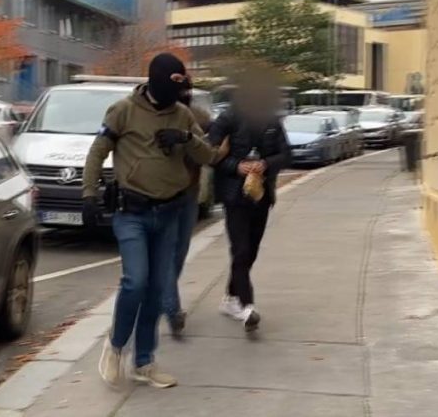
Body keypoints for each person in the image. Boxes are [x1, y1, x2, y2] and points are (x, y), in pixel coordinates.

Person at [82, 53, 218, 389]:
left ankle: (144, 362)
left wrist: (185, 138)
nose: (179, 91)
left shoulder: (183, 115)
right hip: (132, 213)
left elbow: (209, 156)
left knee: (156, 289)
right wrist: (89, 193)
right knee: (136, 281)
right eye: (175, 82)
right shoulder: (123, 110)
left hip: (169, 213)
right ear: (157, 79)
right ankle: (116, 346)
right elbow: (98, 151)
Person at [208, 80, 291, 332]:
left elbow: (286, 154)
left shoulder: (271, 121)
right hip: (234, 195)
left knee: (250, 250)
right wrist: (237, 166)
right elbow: (210, 154)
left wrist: (265, 164)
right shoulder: (227, 119)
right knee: (241, 249)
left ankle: (231, 297)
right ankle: (247, 307)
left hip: (260, 195)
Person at [162, 77, 213, 337]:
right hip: (164, 195)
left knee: (179, 254)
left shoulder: (198, 117)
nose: (184, 94)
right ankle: (172, 310)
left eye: (187, 89)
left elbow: (207, 151)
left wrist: (189, 139)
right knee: (168, 253)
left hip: (189, 193)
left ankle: (164, 295)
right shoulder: (156, 115)